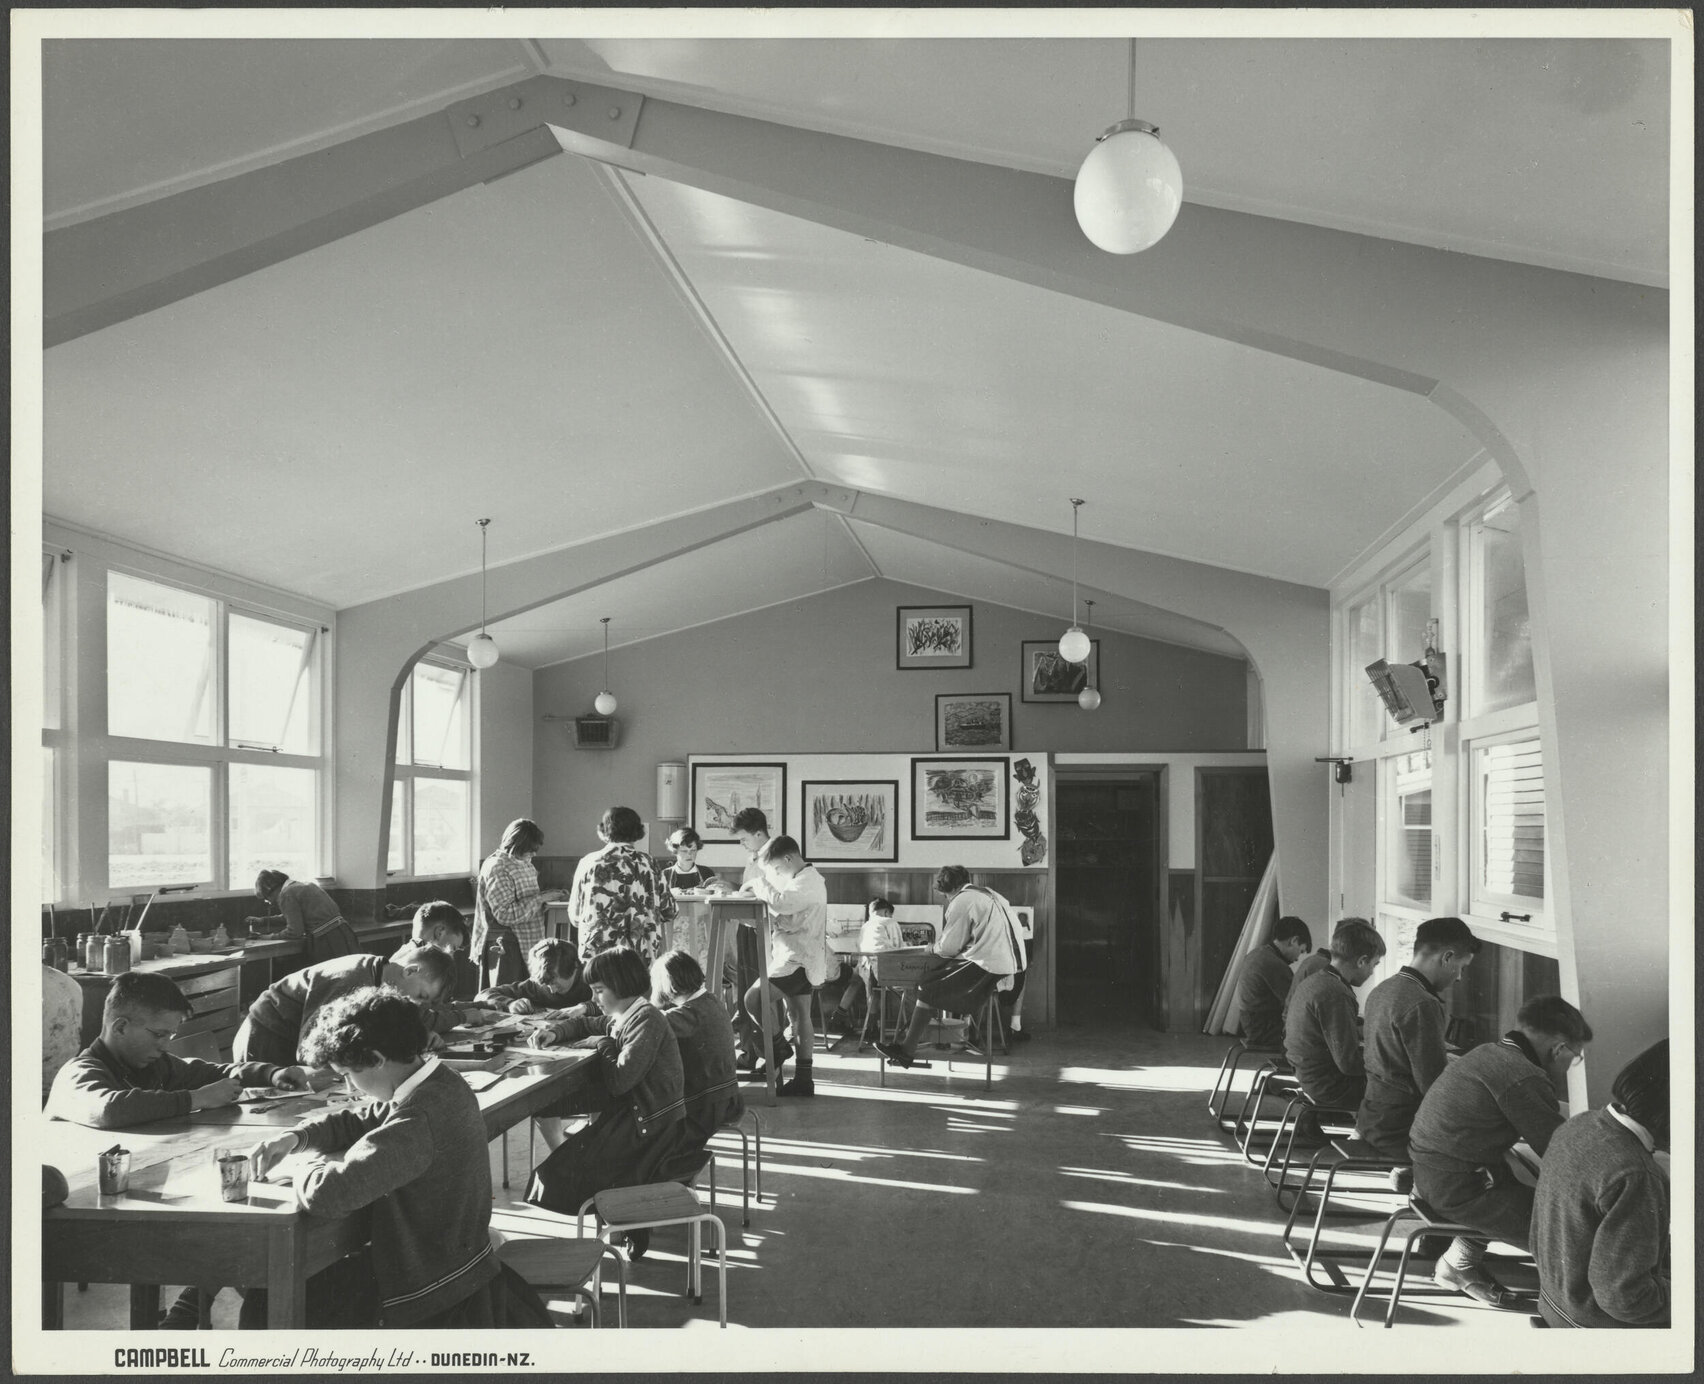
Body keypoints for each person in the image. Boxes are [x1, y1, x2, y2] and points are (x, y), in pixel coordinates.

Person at [241, 988, 551, 1328]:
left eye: (347, 1075)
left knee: (267, 1287)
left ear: (375, 1058)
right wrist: (297, 1136)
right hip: (453, 1267)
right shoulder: (441, 1082)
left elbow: (330, 1194)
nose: (348, 1088)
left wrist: (304, 1166)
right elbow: (365, 1117)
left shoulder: (417, 1122)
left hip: (428, 1292)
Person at [1408, 994, 1591, 1307]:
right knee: (1572, 1229)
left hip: (1428, 1172)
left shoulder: (1490, 1052)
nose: (1571, 1063)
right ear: (1559, 1048)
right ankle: (1572, 1308)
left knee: (1518, 1186)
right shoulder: (1524, 1075)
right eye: (1576, 1055)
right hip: (1455, 1188)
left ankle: (1457, 1265)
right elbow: (1563, 1155)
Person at [524, 948, 699, 1254]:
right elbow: (587, 1024)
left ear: (620, 986)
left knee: (561, 1174)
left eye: (599, 991)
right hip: (634, 1114)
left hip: (650, 1126)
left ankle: (627, 1220)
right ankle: (621, 1217)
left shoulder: (648, 1020)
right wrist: (555, 1032)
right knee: (547, 1109)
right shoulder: (625, 1014)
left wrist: (602, 1043)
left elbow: (620, 1081)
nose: (595, 1000)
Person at [48, 972, 310, 1128]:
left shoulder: (156, 1065)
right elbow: (108, 1109)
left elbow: (213, 1072)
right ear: (120, 1028)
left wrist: (271, 1075)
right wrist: (196, 1099)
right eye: (159, 1034)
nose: (165, 1045)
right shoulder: (78, 1073)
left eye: (170, 1035)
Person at [1533, 1040, 1670, 1328]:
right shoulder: (1637, 1175)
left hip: (1553, 1300)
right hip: (1590, 1323)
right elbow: (1625, 1300)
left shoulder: (1580, 1124)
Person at [877, 865, 1025, 1070]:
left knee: (927, 986)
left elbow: (948, 948)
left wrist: (931, 948)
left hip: (991, 965)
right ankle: (964, 1038)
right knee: (939, 982)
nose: (946, 900)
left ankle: (907, 1052)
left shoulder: (961, 901)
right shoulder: (989, 893)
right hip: (1015, 967)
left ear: (948, 889)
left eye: (945, 895)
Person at [1356, 916, 1479, 1158]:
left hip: (1371, 1116)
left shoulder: (1383, 989)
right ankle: (1420, 1186)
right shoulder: (1422, 1003)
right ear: (1447, 957)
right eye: (1461, 967)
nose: (1459, 977)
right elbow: (1432, 1085)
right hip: (1400, 1128)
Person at [232, 944, 456, 1066]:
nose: (416, 1004)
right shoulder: (352, 980)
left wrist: (416, 1037)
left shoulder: (382, 979)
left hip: (288, 1040)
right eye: (420, 995)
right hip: (266, 1039)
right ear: (410, 971)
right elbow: (310, 1048)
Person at [742, 835, 833, 1096]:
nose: (776, 874)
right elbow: (786, 912)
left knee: (754, 998)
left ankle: (777, 1047)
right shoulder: (802, 880)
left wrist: (757, 881)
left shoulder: (808, 882)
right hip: (799, 954)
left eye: (777, 869)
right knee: (798, 1015)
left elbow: (781, 903)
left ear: (789, 858)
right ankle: (804, 1079)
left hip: (798, 958)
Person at [1283, 917, 1384, 1112]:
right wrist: (1389, 1056)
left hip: (1306, 1074)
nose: (1372, 972)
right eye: (1374, 964)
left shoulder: (1319, 979)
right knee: (1404, 1090)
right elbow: (1349, 1064)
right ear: (1362, 961)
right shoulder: (1336, 993)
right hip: (1328, 1088)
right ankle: (1368, 1138)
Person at [652, 949, 744, 1149]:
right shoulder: (711, 1001)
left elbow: (644, 1022)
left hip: (705, 1109)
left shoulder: (688, 1014)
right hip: (726, 1100)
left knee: (646, 1135)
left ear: (667, 984)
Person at [567, 806, 678, 964]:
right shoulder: (648, 863)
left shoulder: (588, 862)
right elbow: (669, 910)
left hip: (597, 955)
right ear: (638, 832)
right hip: (640, 955)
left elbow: (576, 916)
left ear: (603, 831)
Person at [473, 819, 568, 990]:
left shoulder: (523, 863)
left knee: (526, 996)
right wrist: (541, 899)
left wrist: (547, 900)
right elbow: (505, 914)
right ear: (516, 845)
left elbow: (527, 900)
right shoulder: (498, 867)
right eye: (530, 850)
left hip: (527, 939)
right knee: (504, 999)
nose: (534, 854)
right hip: (506, 943)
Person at [724, 807, 773, 1067]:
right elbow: (749, 890)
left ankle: (767, 1055)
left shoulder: (773, 858)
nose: (742, 844)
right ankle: (749, 1051)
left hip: (761, 931)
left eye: (743, 839)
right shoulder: (754, 856)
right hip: (746, 927)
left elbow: (768, 896)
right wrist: (730, 888)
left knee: (759, 995)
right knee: (745, 992)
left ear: (757, 833)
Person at [824, 897, 901, 1037]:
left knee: (861, 982)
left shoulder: (866, 926)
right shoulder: (890, 922)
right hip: (885, 968)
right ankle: (876, 1028)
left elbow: (859, 947)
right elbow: (898, 946)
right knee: (884, 989)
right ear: (886, 912)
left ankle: (839, 1019)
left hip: (866, 967)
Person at [1235, 915, 1312, 1051]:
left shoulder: (1259, 953)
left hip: (1252, 1024)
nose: (1297, 959)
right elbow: (1296, 1004)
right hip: (1264, 1030)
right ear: (1294, 941)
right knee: (1317, 1037)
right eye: (1300, 951)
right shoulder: (1274, 964)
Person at [250, 870, 360, 964]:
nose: (270, 902)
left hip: (326, 940)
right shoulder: (302, 886)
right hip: (343, 933)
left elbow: (294, 932)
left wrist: (267, 938)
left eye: (266, 898)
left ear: (272, 890)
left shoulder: (286, 894)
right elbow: (293, 915)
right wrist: (263, 920)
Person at [475, 936, 593, 1015]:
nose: (552, 990)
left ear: (575, 968)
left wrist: (584, 1008)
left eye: (555, 982)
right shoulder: (538, 986)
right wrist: (509, 1003)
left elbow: (611, 1003)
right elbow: (482, 996)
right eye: (547, 984)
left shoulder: (593, 978)